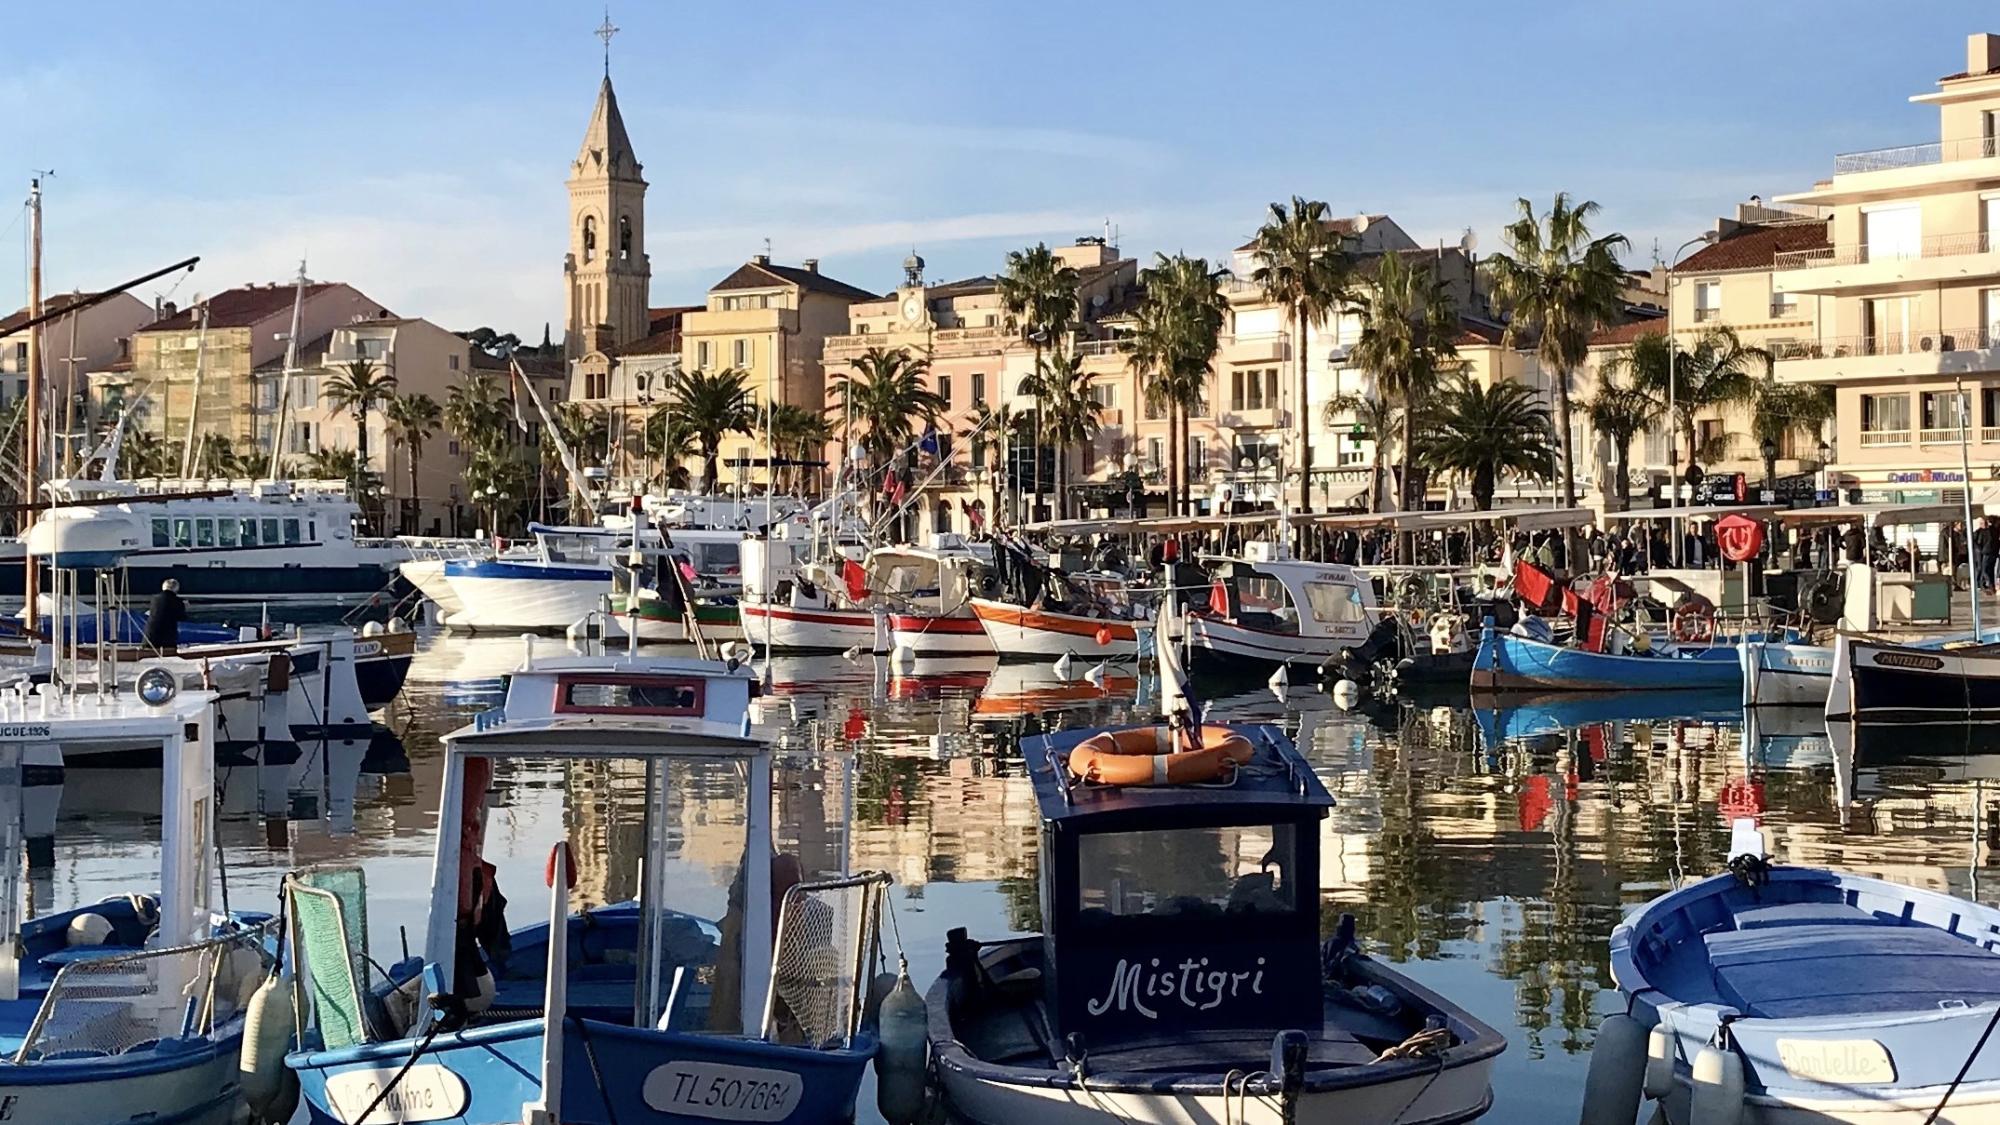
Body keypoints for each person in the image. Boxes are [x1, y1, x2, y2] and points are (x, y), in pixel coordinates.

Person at [143, 578, 187, 655]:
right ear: (176, 589)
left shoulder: (154, 599)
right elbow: (182, 617)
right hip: (166, 638)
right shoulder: (178, 601)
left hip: (150, 636)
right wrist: (184, 606)